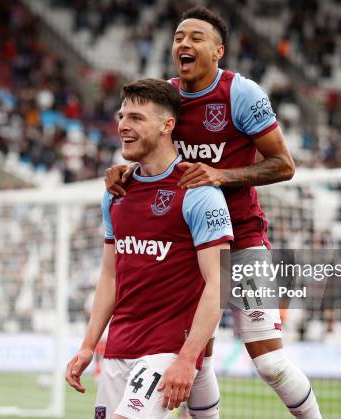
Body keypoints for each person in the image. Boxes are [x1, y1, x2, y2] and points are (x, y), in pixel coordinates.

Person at [105, 6, 322, 419]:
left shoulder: (241, 94)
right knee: (195, 356)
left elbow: (284, 165)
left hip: (241, 238)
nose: (183, 43)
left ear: (218, 51)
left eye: (195, 37)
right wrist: (126, 170)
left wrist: (221, 175)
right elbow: (155, 153)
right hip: (188, 247)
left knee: (270, 363)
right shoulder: (164, 98)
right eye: (178, 37)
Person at [66, 78, 233, 419]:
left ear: (166, 125)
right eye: (121, 116)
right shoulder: (116, 193)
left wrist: (188, 358)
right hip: (119, 345)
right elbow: (110, 275)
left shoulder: (198, 192)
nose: (123, 126)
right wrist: (87, 346)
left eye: (136, 118)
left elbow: (220, 281)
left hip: (168, 346)